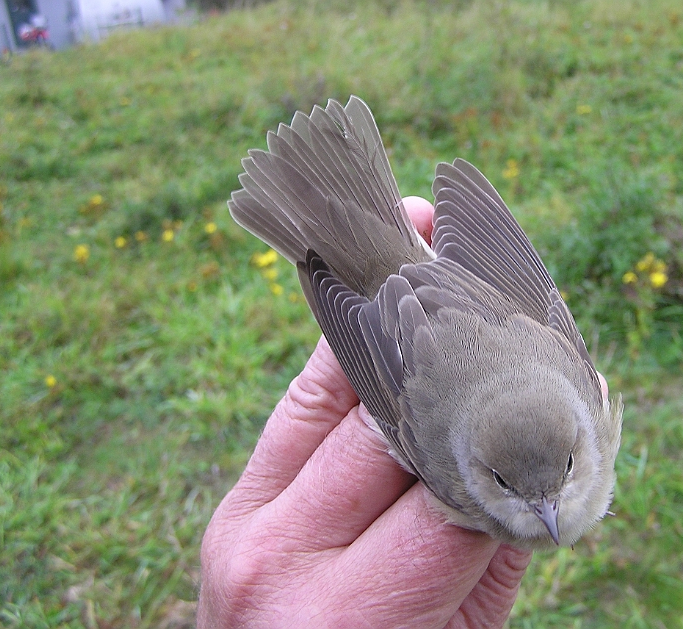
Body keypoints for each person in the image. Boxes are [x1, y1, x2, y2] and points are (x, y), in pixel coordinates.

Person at [197, 197, 609, 628]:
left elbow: (534, 299)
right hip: (422, 323)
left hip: (451, 302)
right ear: (480, 470)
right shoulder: (459, 484)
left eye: (565, 470)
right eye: (505, 484)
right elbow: (385, 408)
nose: (547, 510)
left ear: (577, 444)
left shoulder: (580, 402)